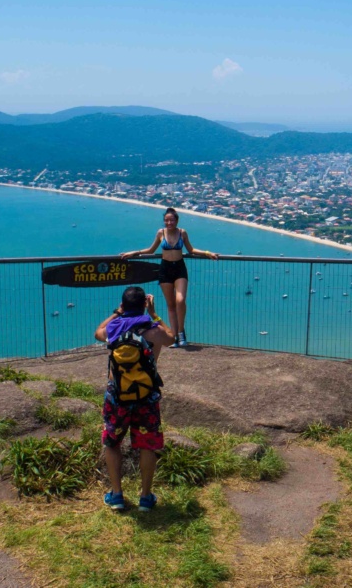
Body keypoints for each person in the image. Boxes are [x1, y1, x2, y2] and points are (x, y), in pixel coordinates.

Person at [94, 285, 175, 512]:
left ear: (123, 305)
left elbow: (97, 331)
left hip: (117, 397)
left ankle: (117, 495)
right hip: (146, 398)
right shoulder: (152, 328)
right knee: (147, 445)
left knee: (112, 442)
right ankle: (146, 497)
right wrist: (154, 313)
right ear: (143, 305)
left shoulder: (113, 328)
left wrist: (117, 313)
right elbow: (171, 338)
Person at [119, 207, 218, 347]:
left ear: (177, 220)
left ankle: (181, 331)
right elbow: (151, 250)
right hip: (165, 269)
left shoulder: (182, 233)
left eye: (171, 220)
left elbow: (191, 250)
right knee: (171, 305)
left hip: (179, 268)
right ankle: (174, 337)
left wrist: (208, 253)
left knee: (180, 300)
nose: (169, 223)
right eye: (166, 220)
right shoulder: (161, 232)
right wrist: (134, 253)